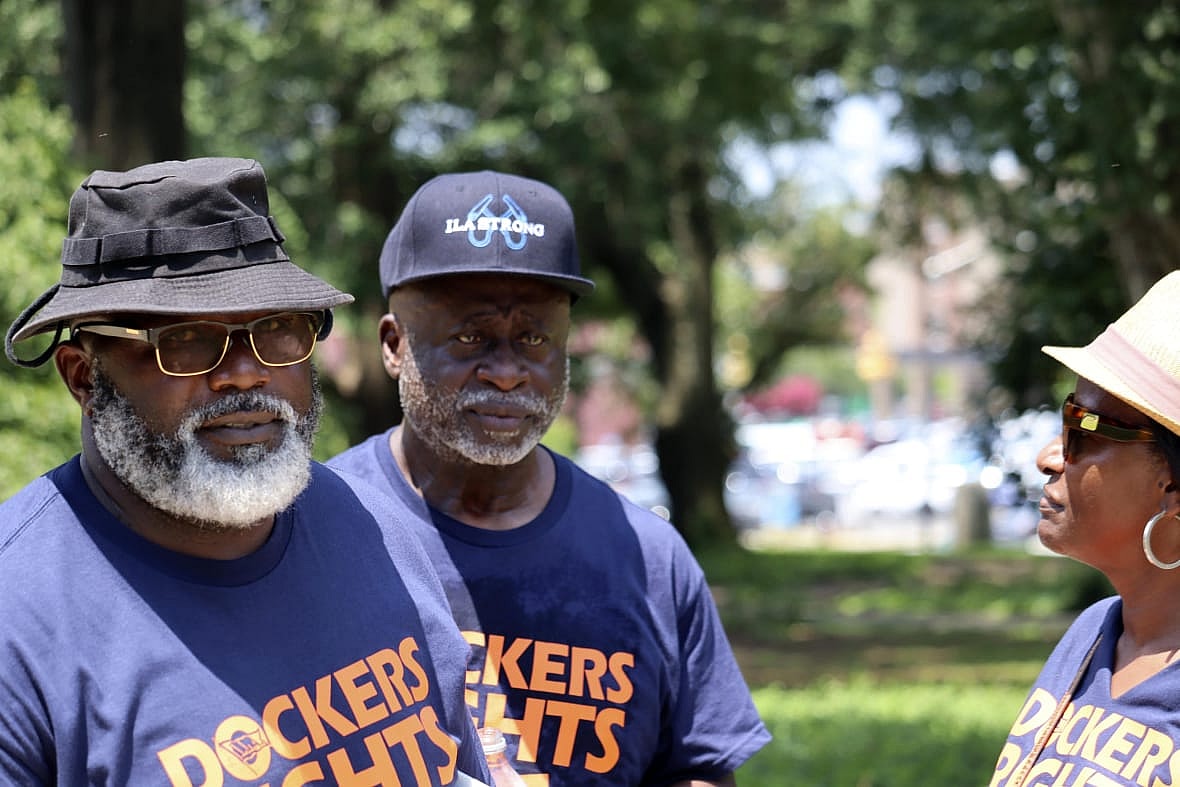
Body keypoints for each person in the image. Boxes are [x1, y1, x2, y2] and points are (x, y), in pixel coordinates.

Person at [0, 158, 491, 786]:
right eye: (186, 340)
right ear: (83, 378)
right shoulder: (22, 625)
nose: (245, 373)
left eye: (278, 330)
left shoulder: (370, 526)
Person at [329, 170, 770, 786]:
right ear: (395, 344)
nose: (506, 372)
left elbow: (698, 767)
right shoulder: (314, 532)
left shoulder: (648, 559)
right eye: (471, 336)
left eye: (533, 337)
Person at [989, 270, 1180, 787]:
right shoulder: (1096, 631)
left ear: (1173, 485)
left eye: (1085, 430)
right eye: (1063, 420)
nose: (1048, 457)